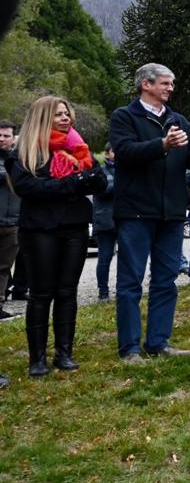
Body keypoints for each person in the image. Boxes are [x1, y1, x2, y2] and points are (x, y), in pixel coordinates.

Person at [110, 63, 190, 363]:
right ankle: (129, 349)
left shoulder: (177, 119)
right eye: (166, 83)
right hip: (135, 212)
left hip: (171, 214)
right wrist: (162, 144)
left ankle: (158, 342)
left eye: (172, 83)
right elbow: (126, 153)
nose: (171, 88)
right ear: (146, 84)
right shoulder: (124, 117)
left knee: (166, 280)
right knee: (131, 282)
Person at [6, 96, 108, 377]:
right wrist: (74, 183)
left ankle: (64, 353)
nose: (66, 118)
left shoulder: (78, 147)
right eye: (58, 114)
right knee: (41, 293)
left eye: (67, 113)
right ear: (42, 118)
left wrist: (66, 184)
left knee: (67, 291)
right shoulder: (25, 151)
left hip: (74, 227)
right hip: (39, 229)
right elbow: (29, 188)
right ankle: (37, 359)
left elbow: (98, 182)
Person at [0, 119, 20, 321]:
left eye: (6, 135)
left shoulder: (17, 158)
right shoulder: (15, 164)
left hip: (13, 222)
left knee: (5, 267)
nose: (2, 139)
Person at [92, 143, 116, 301]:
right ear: (107, 154)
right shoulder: (100, 171)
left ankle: (123, 290)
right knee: (105, 258)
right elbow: (102, 190)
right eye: (115, 151)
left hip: (125, 220)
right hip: (105, 222)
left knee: (127, 259)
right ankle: (103, 292)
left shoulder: (129, 170)